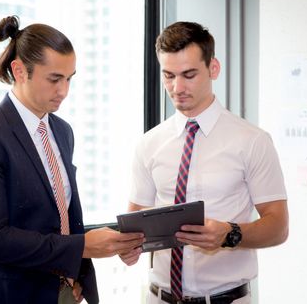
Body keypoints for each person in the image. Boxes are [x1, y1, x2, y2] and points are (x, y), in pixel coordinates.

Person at [0, 15, 144, 304]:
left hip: (61, 291)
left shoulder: (62, 131)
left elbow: (58, 219)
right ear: (19, 71)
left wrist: (74, 275)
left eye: (69, 79)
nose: (64, 91)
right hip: (8, 296)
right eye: (54, 79)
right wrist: (81, 247)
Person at [120, 21, 289, 304]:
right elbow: (135, 219)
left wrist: (230, 234)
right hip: (157, 297)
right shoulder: (148, 144)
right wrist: (127, 247)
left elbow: (279, 226)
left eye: (189, 74)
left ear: (213, 68)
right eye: (168, 75)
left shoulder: (252, 141)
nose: (177, 87)